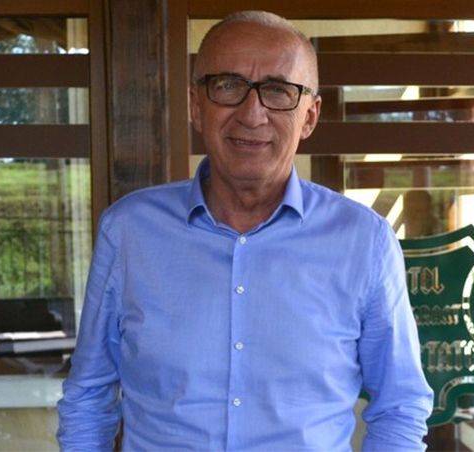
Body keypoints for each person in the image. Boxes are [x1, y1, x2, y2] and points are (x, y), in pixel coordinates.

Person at [57, 10, 433, 451]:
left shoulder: (364, 242)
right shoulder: (129, 231)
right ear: (196, 106)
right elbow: (89, 398)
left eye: (278, 91)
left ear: (310, 117)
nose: (252, 114)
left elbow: (400, 407)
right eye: (228, 86)